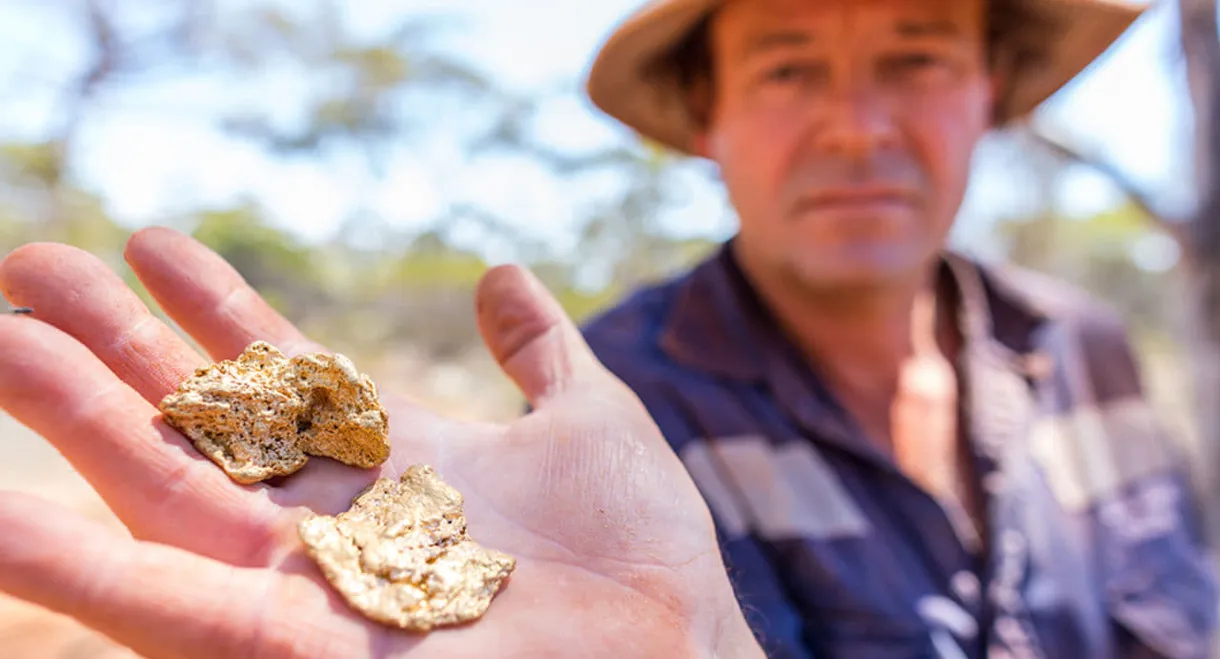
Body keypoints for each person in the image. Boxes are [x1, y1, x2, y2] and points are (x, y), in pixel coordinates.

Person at [576, 0, 1219, 657]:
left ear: (987, 90)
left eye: (918, 61)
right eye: (788, 70)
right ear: (707, 110)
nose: (858, 130)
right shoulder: (620, 404)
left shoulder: (1082, 350)